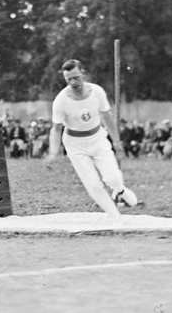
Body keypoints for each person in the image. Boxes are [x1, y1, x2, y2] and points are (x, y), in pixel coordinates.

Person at [46, 59, 139, 223]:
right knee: (93, 185)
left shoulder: (97, 92)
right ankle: (115, 216)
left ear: (83, 73)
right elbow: (56, 129)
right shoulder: (60, 101)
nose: (73, 82)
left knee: (113, 178)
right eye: (69, 79)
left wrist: (116, 141)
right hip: (75, 144)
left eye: (76, 77)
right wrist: (53, 153)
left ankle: (120, 190)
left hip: (98, 139)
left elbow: (106, 117)